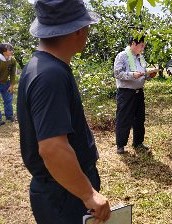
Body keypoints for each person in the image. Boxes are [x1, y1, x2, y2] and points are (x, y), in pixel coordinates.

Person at [17, 1, 111, 223]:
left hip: (63, 187)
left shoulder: (42, 67)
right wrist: (88, 194)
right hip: (63, 193)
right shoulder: (50, 76)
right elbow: (52, 147)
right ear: (78, 30)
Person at [114, 36, 156, 154]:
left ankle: (138, 142)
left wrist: (150, 74)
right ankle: (120, 145)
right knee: (124, 119)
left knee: (139, 119)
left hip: (138, 92)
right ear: (133, 43)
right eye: (141, 45)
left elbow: (143, 73)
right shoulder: (122, 56)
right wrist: (132, 75)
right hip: (126, 93)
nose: (143, 48)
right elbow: (117, 73)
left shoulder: (140, 58)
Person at [0, 43, 16, 125]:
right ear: (4, 51)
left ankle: (9, 116)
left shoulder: (12, 60)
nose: (12, 51)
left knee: (8, 100)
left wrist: (12, 85)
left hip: (6, 83)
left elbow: (13, 73)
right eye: (10, 49)